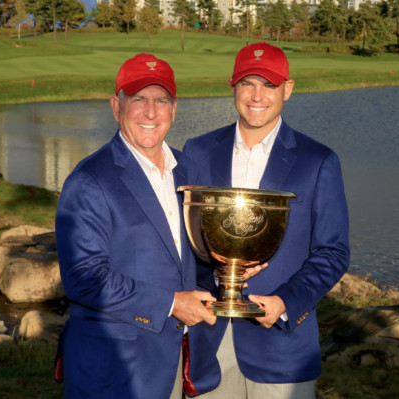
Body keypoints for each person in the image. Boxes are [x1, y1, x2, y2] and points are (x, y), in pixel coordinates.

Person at [182, 42, 350, 398]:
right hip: (210, 341)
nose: (257, 95)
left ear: (287, 89)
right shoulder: (197, 150)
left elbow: (333, 252)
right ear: (232, 86)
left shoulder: (318, 161)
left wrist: (285, 302)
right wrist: (210, 275)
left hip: (282, 347)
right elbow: (183, 241)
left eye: (269, 85)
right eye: (247, 83)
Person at [54, 52, 218, 399]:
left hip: (174, 361)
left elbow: (193, 258)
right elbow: (83, 278)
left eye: (161, 100)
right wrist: (173, 304)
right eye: (138, 99)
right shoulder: (89, 179)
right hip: (114, 370)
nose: (150, 112)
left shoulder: (188, 171)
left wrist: (229, 269)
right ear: (116, 106)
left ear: (174, 109)